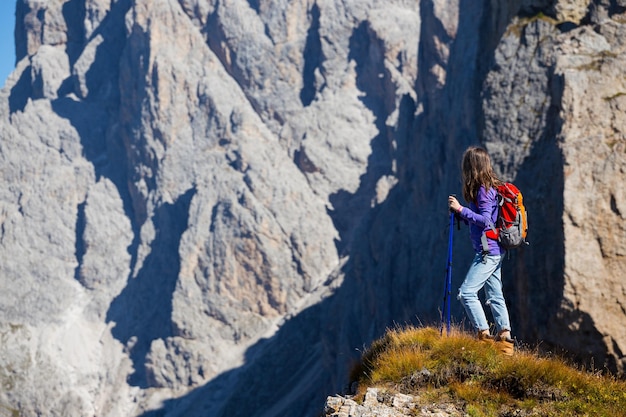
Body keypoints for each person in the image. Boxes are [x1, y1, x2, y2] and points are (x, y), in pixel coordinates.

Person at [448, 146, 514, 356]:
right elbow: (485, 221)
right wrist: (463, 216)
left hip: (489, 251)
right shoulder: (486, 188)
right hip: (493, 249)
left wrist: (460, 209)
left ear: (472, 167)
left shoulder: (484, 190)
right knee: (495, 294)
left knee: (466, 293)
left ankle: (484, 336)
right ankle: (505, 341)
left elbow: (486, 221)